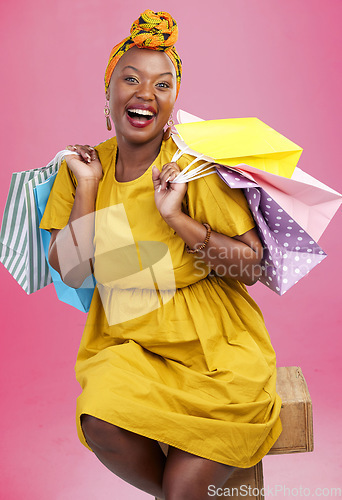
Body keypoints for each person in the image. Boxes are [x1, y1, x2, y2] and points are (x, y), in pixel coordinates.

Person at [39, 9, 282, 500]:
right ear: (108, 91)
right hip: (128, 346)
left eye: (162, 85)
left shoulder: (191, 169)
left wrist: (178, 219)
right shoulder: (83, 167)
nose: (145, 94)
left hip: (215, 350)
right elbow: (72, 269)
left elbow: (252, 267)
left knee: (183, 492)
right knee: (100, 418)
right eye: (130, 78)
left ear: (173, 102)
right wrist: (87, 187)